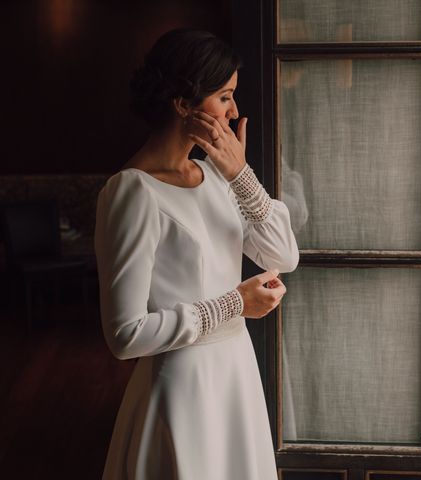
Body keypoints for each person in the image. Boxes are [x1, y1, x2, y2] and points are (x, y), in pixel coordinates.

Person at [94, 27, 299, 479]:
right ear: (183, 103)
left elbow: (283, 255)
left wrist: (240, 174)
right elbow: (124, 336)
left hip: (236, 375)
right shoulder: (132, 192)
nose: (235, 111)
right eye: (225, 96)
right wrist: (234, 304)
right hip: (182, 389)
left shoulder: (218, 177)